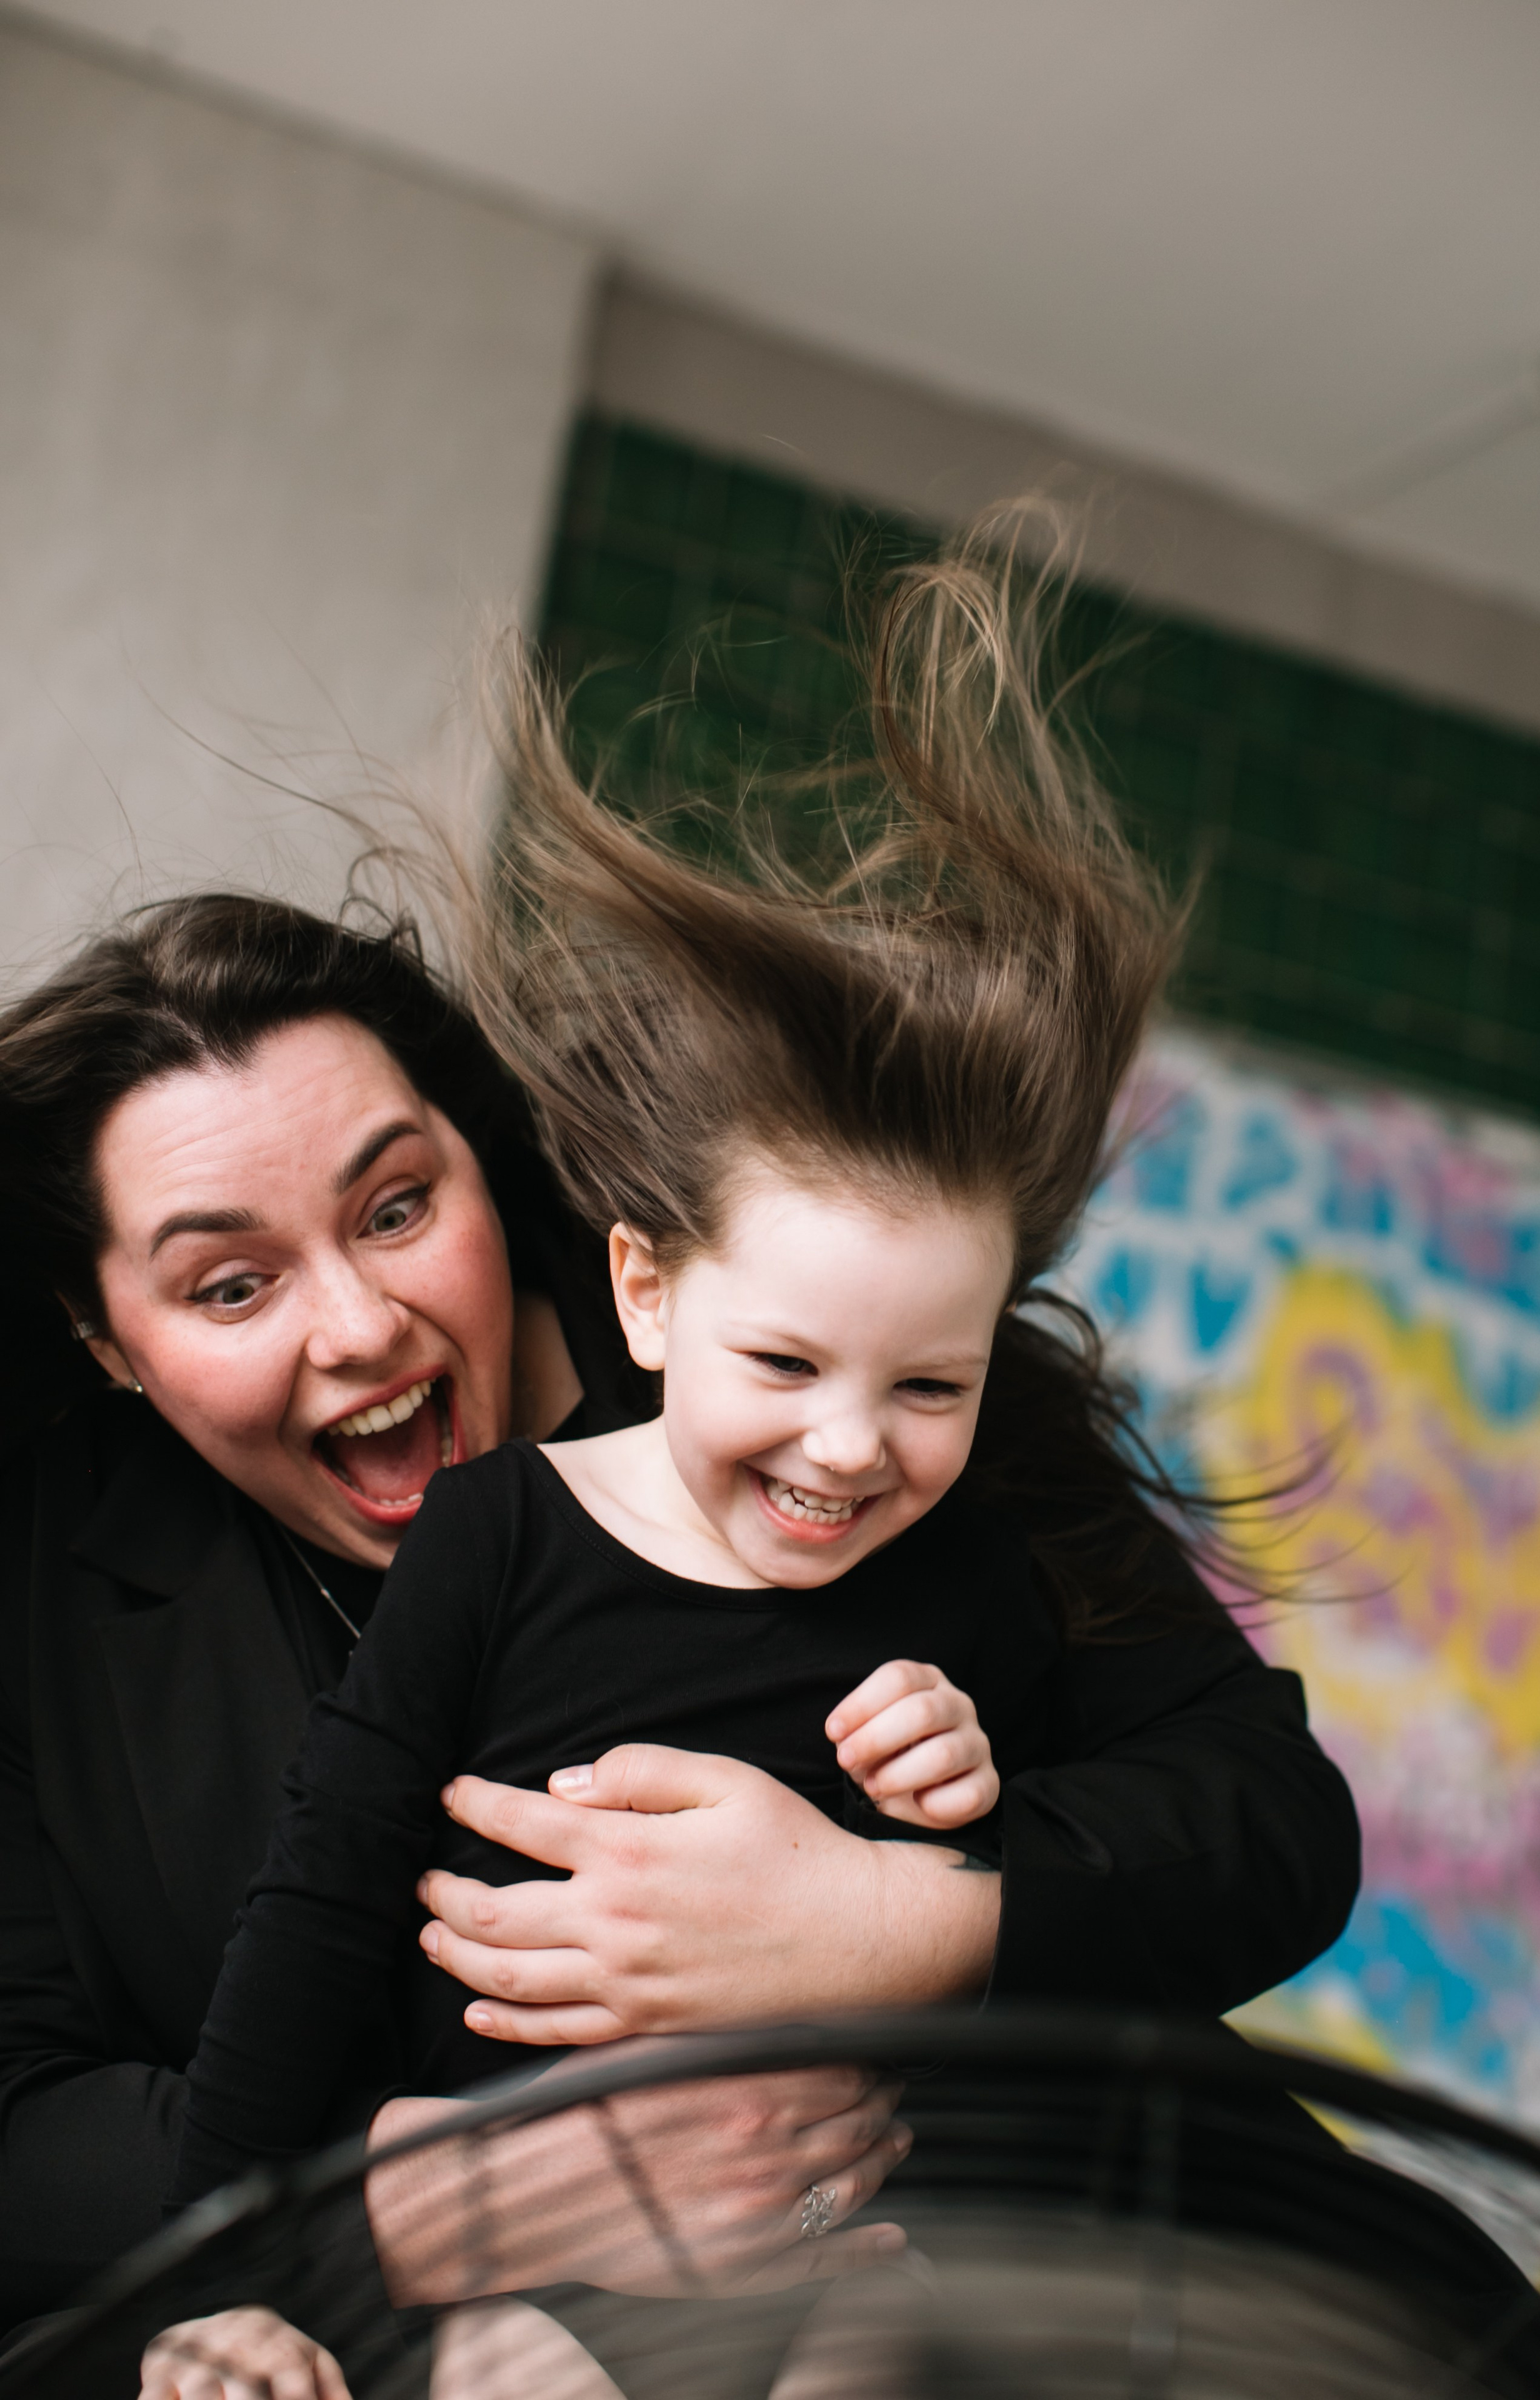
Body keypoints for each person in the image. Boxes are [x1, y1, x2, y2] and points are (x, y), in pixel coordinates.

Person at [0, 568, 1359, 2364]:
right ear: (109, 1344)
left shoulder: (842, 1369)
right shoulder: (50, 1607)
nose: (357, 1326)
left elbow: (1263, 1821)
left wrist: (885, 1919)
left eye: (400, 1206)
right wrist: (468, 2192)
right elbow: (25, 2143)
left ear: (501, 1182)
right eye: (230, 1284)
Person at [167, 518, 1182, 2236]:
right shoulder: (502, 1534)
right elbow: (322, 1896)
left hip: (835, 2242)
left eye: (934, 1388)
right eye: (784, 1360)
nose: (851, 1447)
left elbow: (1123, 1835)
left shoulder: (974, 1576)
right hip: (510, 2252)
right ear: (644, 1289)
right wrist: (226, 2263)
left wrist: (959, 1797)